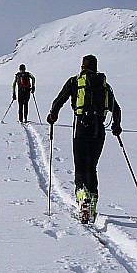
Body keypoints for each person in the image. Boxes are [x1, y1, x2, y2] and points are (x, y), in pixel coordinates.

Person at [46, 54, 122, 222]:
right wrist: (116, 126)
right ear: (96, 68)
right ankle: (92, 200)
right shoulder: (104, 85)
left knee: (80, 167)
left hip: (80, 127)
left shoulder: (74, 81)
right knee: (91, 166)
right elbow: (116, 110)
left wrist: (53, 115)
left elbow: (58, 101)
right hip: (99, 129)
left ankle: (82, 196)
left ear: (82, 67)